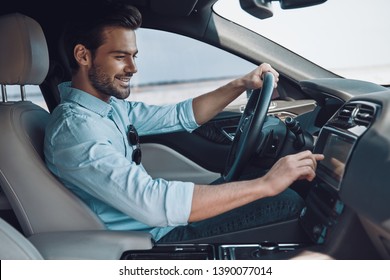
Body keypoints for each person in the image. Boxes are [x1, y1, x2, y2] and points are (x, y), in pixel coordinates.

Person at [44, 3, 324, 243]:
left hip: (159, 225)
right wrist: (266, 184)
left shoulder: (109, 108)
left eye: (133, 55)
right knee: (286, 203)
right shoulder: (76, 130)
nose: (133, 67)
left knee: (265, 188)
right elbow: (152, 203)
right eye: (120, 57)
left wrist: (240, 84)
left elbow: (179, 115)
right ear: (83, 56)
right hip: (153, 240)